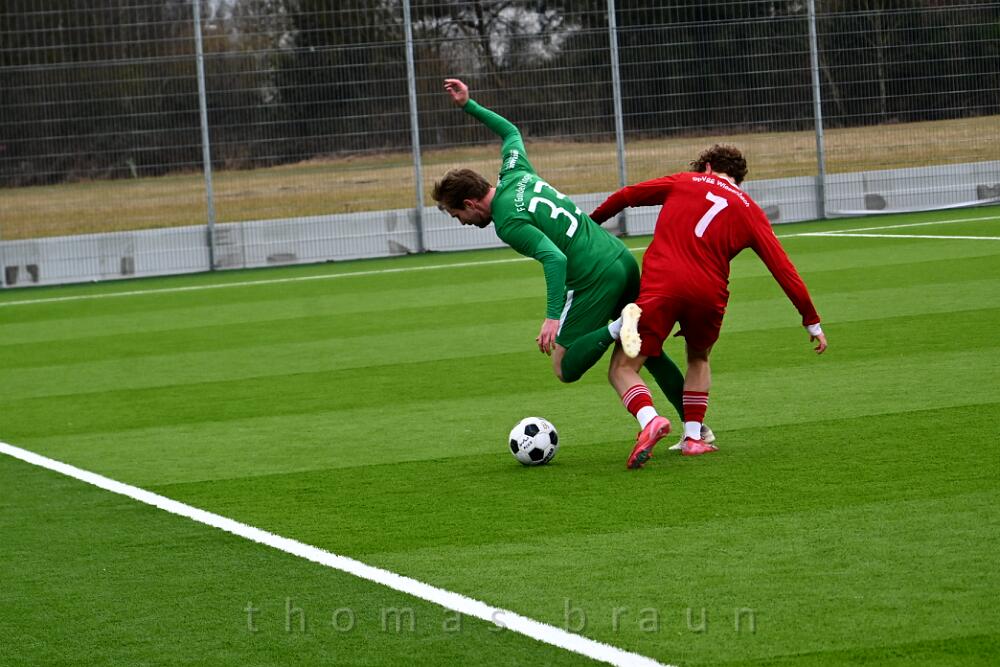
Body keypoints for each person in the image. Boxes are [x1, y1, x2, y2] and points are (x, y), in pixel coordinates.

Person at [432, 78, 704, 436]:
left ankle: (617, 326)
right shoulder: (515, 171)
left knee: (564, 366)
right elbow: (510, 132)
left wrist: (551, 317)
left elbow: (554, 258)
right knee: (646, 350)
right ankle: (696, 431)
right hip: (620, 257)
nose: (463, 222)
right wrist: (469, 104)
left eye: (458, 215)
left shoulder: (507, 222)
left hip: (595, 277)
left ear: (469, 203)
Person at [590, 144, 828, 469]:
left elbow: (627, 195)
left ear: (707, 167)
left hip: (662, 286)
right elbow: (782, 267)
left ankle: (650, 420)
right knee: (699, 358)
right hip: (709, 294)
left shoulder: (684, 181)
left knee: (623, 368)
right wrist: (811, 320)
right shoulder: (749, 208)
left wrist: (592, 222)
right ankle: (693, 438)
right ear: (738, 179)